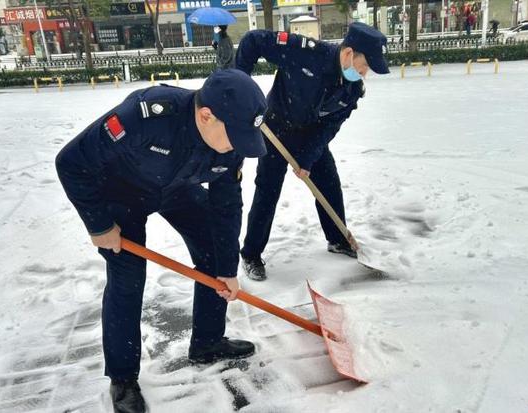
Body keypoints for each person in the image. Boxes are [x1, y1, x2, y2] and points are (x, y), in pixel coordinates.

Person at [55, 69, 267, 413]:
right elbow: (71, 162)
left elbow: (226, 205)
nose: (238, 146)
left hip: (175, 188)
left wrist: (228, 269)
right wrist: (98, 224)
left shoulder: (232, 139)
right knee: (128, 278)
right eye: (235, 137)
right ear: (206, 115)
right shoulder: (145, 116)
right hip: (120, 193)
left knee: (215, 252)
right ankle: (123, 379)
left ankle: (208, 342)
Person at [235, 22, 390, 281]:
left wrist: (307, 157)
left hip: (309, 136)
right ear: (349, 52)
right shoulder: (305, 52)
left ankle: (338, 239)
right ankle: (250, 254)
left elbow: (329, 127)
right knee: (268, 190)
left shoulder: (352, 90)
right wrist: (238, 83)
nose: (364, 73)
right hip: (275, 129)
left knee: (329, 183)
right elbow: (253, 41)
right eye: (365, 65)